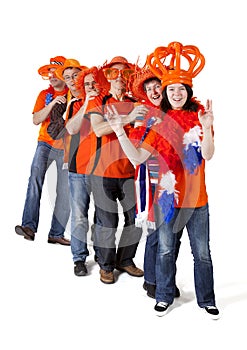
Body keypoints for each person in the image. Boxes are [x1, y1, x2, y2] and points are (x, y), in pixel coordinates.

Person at [105, 42, 220, 319]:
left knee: (202, 253)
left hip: (197, 200)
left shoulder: (199, 118)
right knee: (166, 251)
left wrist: (206, 129)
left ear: (188, 92)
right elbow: (138, 159)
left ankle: (207, 300)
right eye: (171, 90)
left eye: (181, 89)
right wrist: (120, 132)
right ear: (166, 95)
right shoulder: (157, 125)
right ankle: (164, 296)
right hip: (167, 200)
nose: (176, 93)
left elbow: (208, 155)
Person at [89, 56, 146, 284]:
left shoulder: (136, 102)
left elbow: (142, 133)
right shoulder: (99, 101)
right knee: (107, 223)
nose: (120, 77)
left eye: (125, 73)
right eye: (115, 72)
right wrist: (128, 118)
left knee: (136, 220)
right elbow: (99, 130)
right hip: (102, 172)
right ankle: (106, 265)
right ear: (108, 76)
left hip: (131, 173)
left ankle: (125, 259)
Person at [129, 68, 181, 299]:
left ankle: (165, 279)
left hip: (175, 180)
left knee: (173, 233)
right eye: (148, 89)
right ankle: (151, 280)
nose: (153, 91)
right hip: (151, 179)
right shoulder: (143, 114)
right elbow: (134, 149)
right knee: (155, 232)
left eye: (156, 86)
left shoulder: (177, 112)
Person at [15, 56, 71, 245]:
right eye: (49, 72)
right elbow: (36, 119)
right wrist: (53, 103)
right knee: (35, 180)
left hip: (66, 147)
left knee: (65, 190)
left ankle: (56, 233)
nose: (51, 76)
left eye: (54, 72)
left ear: (63, 74)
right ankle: (29, 227)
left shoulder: (72, 93)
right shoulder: (44, 95)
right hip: (45, 144)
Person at [61, 65, 109, 277]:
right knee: (79, 216)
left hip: (102, 169)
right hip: (78, 169)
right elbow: (71, 129)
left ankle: (100, 253)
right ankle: (79, 258)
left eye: (94, 83)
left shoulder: (109, 104)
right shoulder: (76, 103)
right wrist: (86, 104)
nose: (90, 87)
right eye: (87, 84)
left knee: (101, 216)